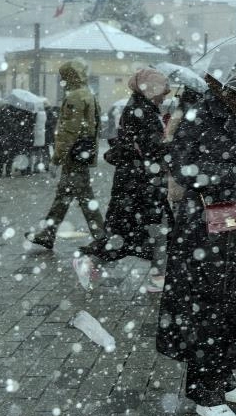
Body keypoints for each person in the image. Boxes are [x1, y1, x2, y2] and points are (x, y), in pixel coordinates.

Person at [156, 48, 236, 416]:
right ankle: (204, 390)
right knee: (211, 301)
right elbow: (182, 164)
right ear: (227, 73)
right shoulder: (205, 111)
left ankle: (224, 374)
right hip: (210, 223)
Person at [72, 68, 171, 292]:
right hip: (137, 183)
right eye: (160, 91)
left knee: (151, 228)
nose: (164, 95)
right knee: (137, 230)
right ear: (150, 89)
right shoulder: (140, 110)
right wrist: (172, 143)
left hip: (141, 180)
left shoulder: (145, 107)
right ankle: (91, 261)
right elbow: (150, 147)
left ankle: (158, 275)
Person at [28, 60, 105, 250]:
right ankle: (48, 233)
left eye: (63, 76)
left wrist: (57, 158)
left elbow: (69, 131)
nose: (62, 80)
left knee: (84, 198)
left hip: (74, 156)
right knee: (64, 196)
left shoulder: (75, 97)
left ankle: (102, 238)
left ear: (70, 76)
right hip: (81, 154)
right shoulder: (88, 93)